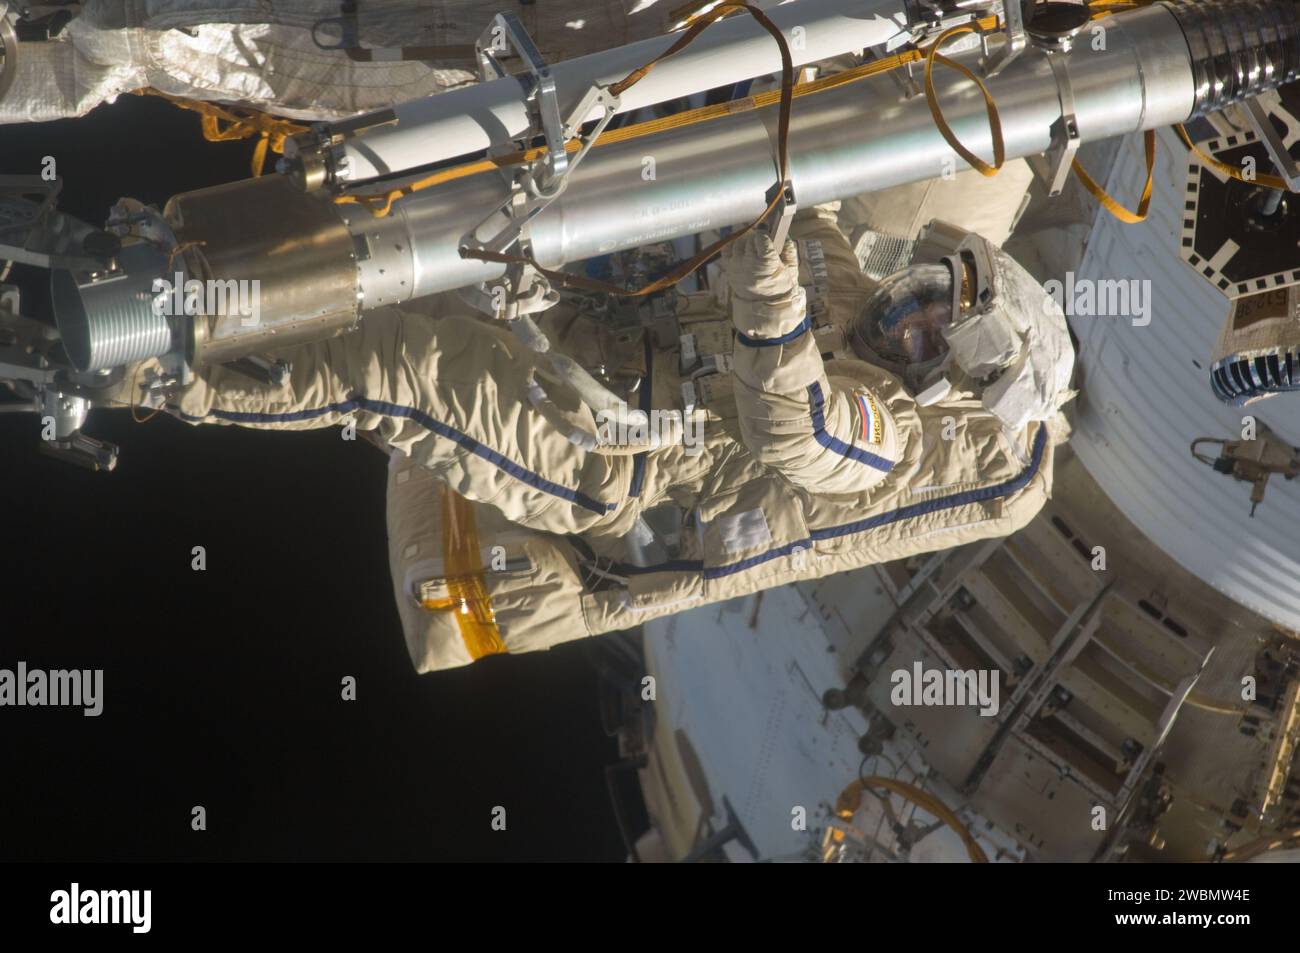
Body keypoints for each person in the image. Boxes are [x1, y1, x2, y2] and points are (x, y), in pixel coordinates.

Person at [115, 196, 1074, 672]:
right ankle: (173, 269)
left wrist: (771, 270)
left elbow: (799, 427)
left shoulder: (892, 432)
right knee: (405, 235)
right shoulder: (850, 293)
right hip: (587, 339)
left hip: (610, 454)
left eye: (929, 333)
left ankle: (159, 370)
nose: (907, 317)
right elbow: (800, 194)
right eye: (928, 296)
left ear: (945, 376)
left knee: (394, 373)